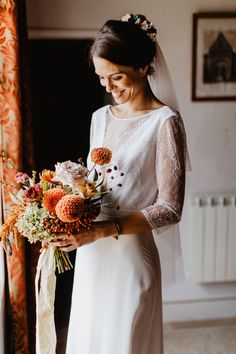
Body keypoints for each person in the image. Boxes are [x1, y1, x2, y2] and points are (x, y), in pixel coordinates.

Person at [53, 13, 188, 354]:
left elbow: (170, 208)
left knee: (124, 342)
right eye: (101, 78)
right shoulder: (99, 118)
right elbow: (94, 186)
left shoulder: (165, 122)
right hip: (92, 257)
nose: (109, 88)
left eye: (117, 77)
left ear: (143, 67)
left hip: (130, 257)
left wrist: (101, 230)